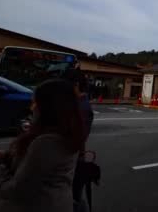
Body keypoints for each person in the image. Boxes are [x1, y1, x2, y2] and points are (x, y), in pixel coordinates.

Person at [0, 79, 86, 212]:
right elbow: (41, 168)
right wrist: (8, 156)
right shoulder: (67, 134)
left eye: (35, 103)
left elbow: (17, 190)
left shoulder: (47, 142)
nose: (32, 108)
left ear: (49, 108)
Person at [63, 69, 94, 212]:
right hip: (72, 162)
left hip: (72, 164)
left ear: (75, 85)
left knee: (72, 201)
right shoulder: (77, 104)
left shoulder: (82, 108)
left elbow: (76, 138)